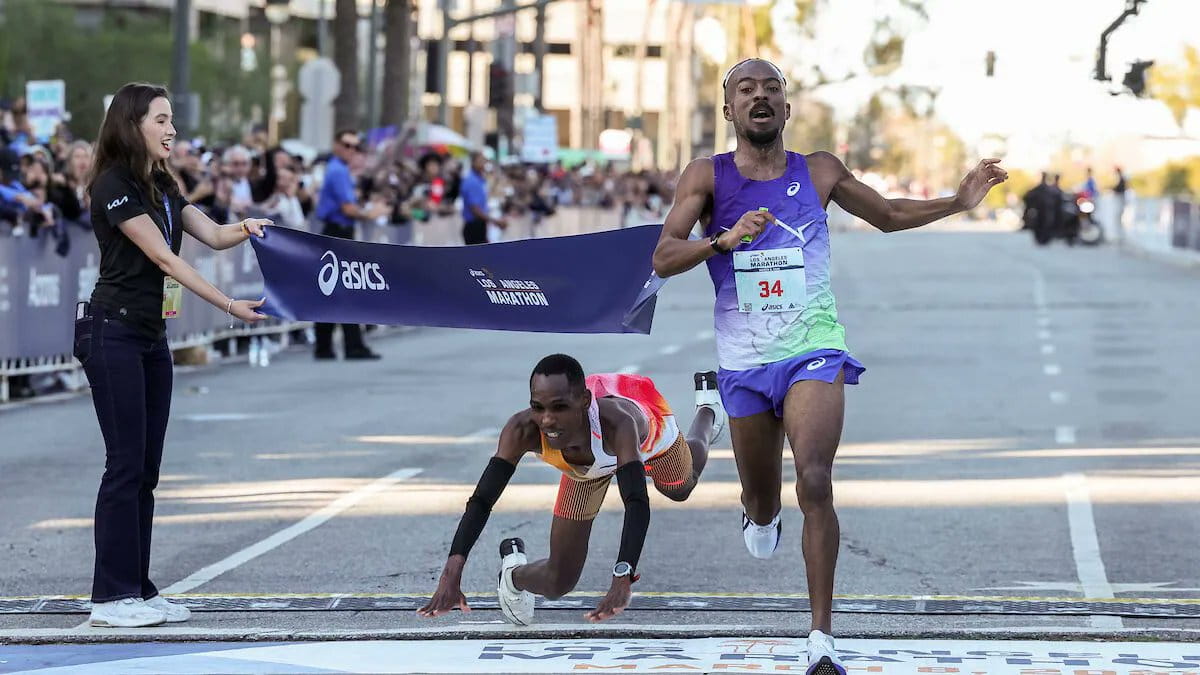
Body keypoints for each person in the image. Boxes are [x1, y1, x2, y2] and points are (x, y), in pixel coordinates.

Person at [650, 58, 1007, 675]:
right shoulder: (706, 176)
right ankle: (756, 510)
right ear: (729, 110)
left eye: (771, 91)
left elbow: (888, 215)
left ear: (786, 110)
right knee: (764, 506)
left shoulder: (818, 170)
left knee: (814, 479)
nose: (759, 98)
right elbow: (662, 257)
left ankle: (821, 640)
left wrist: (957, 199)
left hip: (813, 346)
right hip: (744, 359)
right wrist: (721, 241)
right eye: (746, 91)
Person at [78, 82, 272, 628]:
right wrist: (229, 303)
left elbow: (209, 233)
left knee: (146, 470)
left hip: (148, 337)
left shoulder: (160, 181)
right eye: (161, 120)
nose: (171, 130)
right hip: (111, 332)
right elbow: (165, 259)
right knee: (124, 466)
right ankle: (110, 597)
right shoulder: (114, 185)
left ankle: (137, 589)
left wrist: (248, 228)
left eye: (172, 121)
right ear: (131, 124)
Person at [418, 354, 727, 624]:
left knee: (679, 487)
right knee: (558, 582)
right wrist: (452, 572)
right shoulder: (523, 429)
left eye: (559, 407)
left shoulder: (618, 423)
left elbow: (635, 500)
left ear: (584, 401)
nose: (548, 420)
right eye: (538, 407)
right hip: (585, 471)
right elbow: (482, 500)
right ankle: (511, 575)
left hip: (648, 443)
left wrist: (623, 575)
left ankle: (707, 411)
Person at [312, 129, 388, 360]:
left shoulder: (340, 170)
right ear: (337, 145)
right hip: (338, 230)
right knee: (346, 287)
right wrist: (371, 213)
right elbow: (347, 208)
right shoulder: (337, 170)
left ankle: (325, 345)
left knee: (332, 288)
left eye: (355, 147)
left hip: (339, 231)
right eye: (347, 145)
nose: (351, 150)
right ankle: (351, 345)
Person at [460, 151, 506, 245]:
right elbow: (475, 210)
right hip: (473, 227)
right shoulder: (471, 181)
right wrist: (495, 221)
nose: (483, 163)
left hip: (480, 226)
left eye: (484, 160)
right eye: (480, 160)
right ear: (473, 162)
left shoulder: (481, 180)